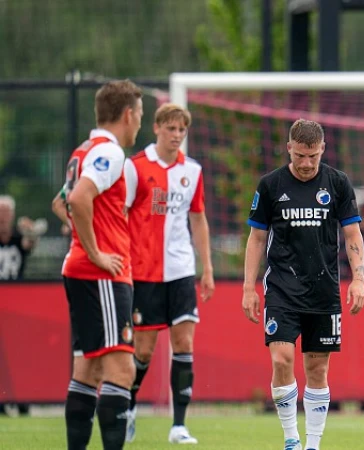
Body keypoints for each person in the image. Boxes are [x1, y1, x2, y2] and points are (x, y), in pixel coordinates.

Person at [241, 119, 364, 450]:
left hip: (324, 288)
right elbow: (256, 238)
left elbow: (352, 234)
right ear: (289, 149)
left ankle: (313, 444)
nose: (307, 163)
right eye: (300, 156)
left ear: (322, 149)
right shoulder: (270, 185)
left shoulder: (338, 183)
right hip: (282, 287)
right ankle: (290, 439)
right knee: (282, 359)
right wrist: (247, 288)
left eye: (313, 156)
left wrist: (359, 280)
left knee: (316, 367)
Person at [122, 104, 214, 444]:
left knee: (184, 342)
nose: (176, 136)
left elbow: (198, 218)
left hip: (180, 270)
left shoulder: (192, 170)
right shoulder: (135, 168)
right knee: (143, 350)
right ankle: (128, 406)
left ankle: (179, 425)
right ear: (157, 128)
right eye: (171, 128)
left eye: (182, 130)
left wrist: (207, 268)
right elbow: (120, 214)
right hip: (143, 272)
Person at [58, 79, 143, 450]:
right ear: (127, 114)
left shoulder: (84, 150)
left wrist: (83, 240)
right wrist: (94, 252)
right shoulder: (109, 153)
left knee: (88, 370)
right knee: (122, 369)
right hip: (101, 273)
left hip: (81, 271)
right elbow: (77, 199)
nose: (139, 123)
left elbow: (62, 201)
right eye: (140, 115)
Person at [0, 194, 44, 416]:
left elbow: (32, 240)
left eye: (7, 213)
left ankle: (22, 400)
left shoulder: (19, 237)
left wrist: (30, 229)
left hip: (17, 301)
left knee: (20, 354)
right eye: (1, 213)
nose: (3, 217)